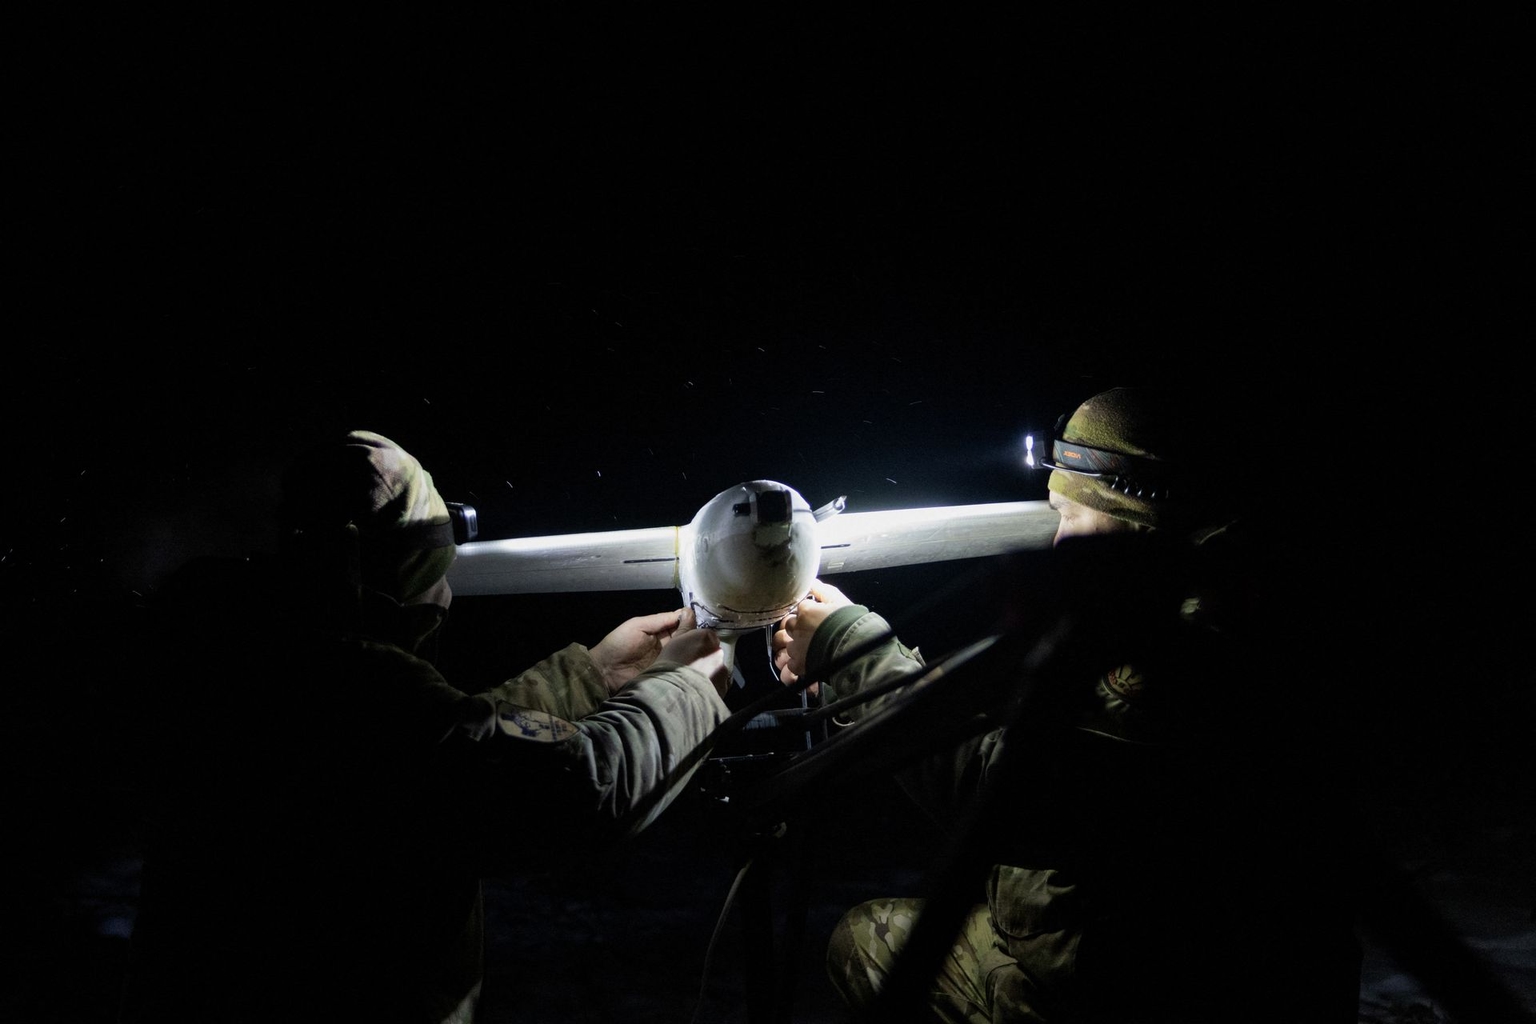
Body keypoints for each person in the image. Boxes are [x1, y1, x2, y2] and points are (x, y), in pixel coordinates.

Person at [772, 386, 1362, 1023]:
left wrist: (847, 647)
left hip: (1154, 986)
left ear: (1136, 517)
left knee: (868, 944)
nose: (1057, 543)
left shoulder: (1194, 636)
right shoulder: (1223, 592)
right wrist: (859, 678)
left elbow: (1006, 792)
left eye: (1071, 518)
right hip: (1183, 955)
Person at [118, 429, 734, 1024]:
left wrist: (594, 674)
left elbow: (456, 741)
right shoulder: (346, 685)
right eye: (427, 573)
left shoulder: (248, 656)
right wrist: (685, 686)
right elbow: (573, 789)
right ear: (365, 574)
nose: (443, 597)